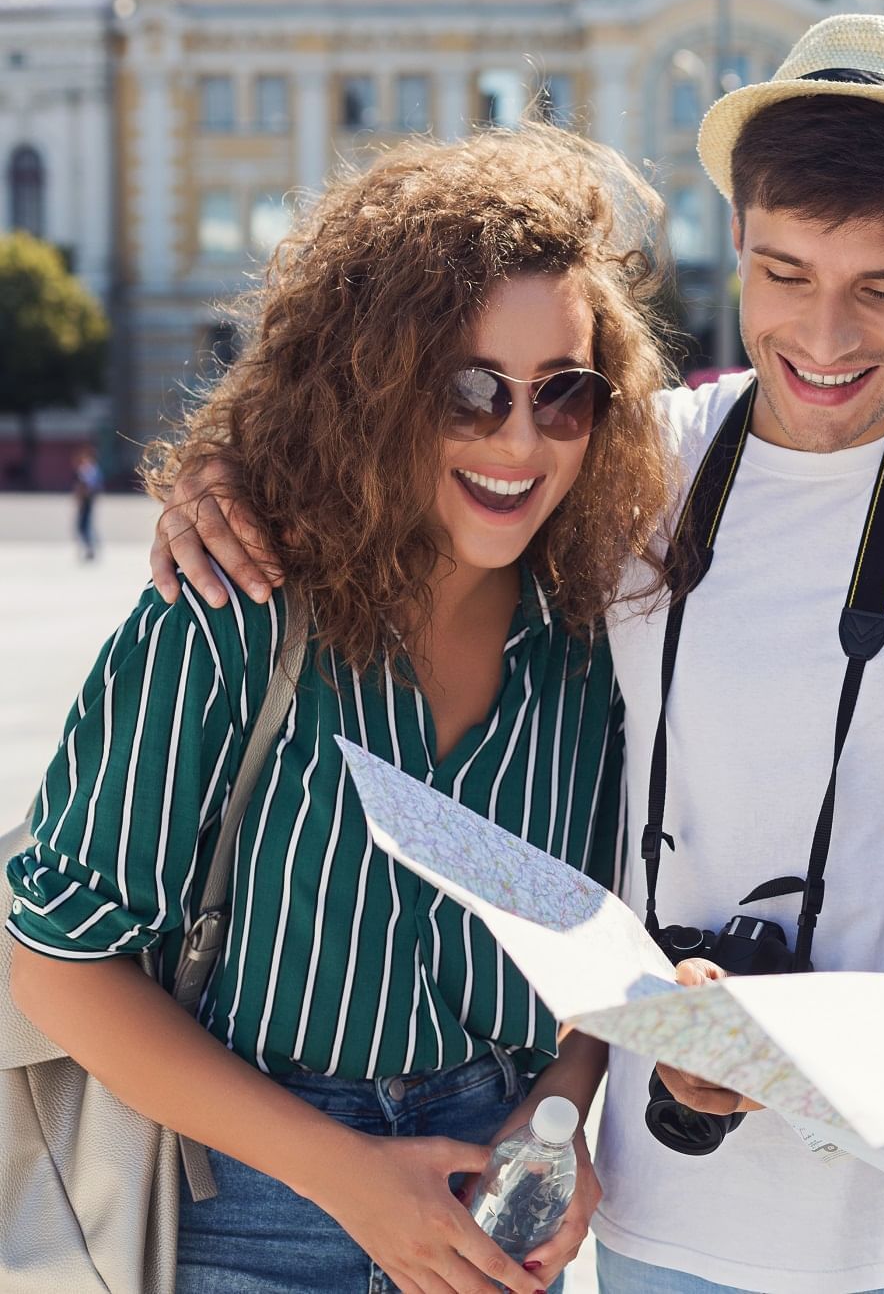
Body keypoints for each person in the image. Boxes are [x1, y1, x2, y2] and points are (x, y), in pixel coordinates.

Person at [148, 15, 884, 1293]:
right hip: (659, 1221)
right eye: (785, 272)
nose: (826, 336)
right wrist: (223, 469)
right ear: (733, 238)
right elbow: (400, 443)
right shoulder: (626, 454)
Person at [6, 126, 675, 1294]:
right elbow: (57, 959)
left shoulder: (592, 647)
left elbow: (606, 945)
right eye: (471, 390)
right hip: (245, 1205)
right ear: (371, 390)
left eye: (563, 394)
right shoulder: (230, 614)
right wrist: (345, 1175)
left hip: (497, 1201)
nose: (519, 439)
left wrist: (559, 1125)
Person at [71, 443, 101, 561]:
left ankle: (90, 549)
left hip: (87, 499)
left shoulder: (89, 469)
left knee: (83, 525)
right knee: (83, 525)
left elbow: (88, 486)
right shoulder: (88, 468)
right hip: (86, 499)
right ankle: (89, 549)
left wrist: (83, 497)